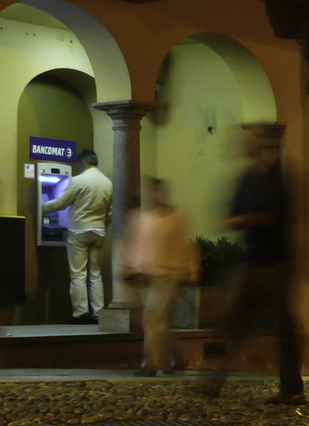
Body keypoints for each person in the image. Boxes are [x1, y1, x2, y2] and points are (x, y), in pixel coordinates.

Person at [199, 124, 304, 404]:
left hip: (277, 262)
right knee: (231, 321)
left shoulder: (276, 177)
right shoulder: (246, 177)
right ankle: (212, 381)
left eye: (245, 143)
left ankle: (292, 387)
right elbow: (233, 212)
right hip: (252, 261)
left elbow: (277, 215)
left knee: (285, 326)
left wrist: (247, 219)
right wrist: (238, 220)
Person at [119, 177, 200, 377]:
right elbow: (130, 243)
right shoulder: (138, 217)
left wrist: (192, 269)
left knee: (152, 318)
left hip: (168, 274)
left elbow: (186, 245)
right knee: (160, 321)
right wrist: (127, 267)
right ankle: (177, 359)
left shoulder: (175, 216)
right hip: (144, 275)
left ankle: (152, 362)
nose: (152, 195)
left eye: (156, 190)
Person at [42, 149, 113, 323]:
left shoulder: (78, 180)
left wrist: (43, 207)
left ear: (82, 162)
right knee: (95, 274)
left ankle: (80, 313)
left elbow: (61, 202)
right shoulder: (107, 183)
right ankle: (98, 313)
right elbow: (110, 212)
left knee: (78, 274)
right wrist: (103, 225)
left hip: (79, 231)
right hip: (98, 232)